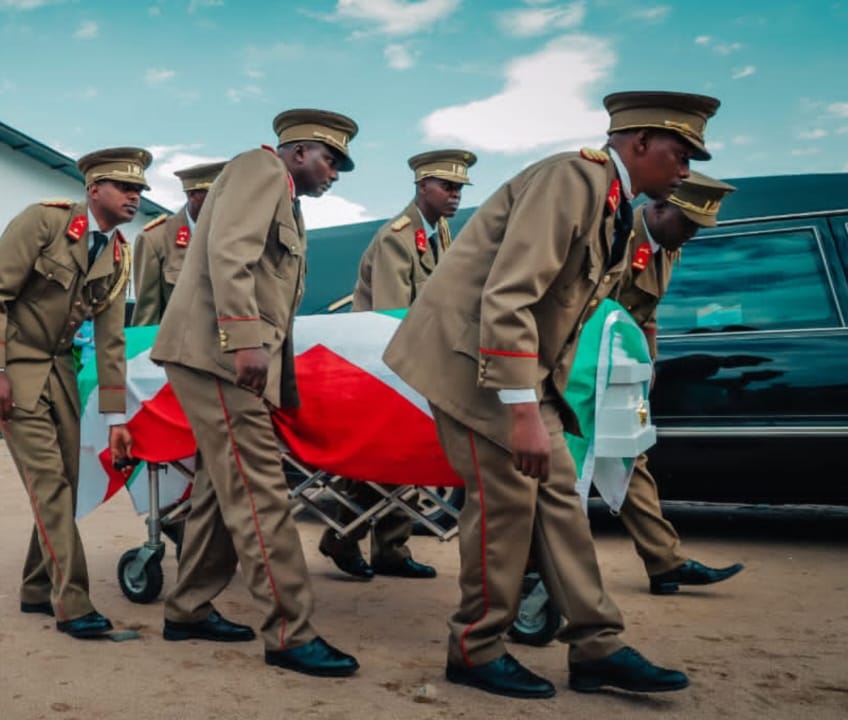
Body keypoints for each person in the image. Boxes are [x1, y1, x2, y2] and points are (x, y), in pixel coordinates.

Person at [382, 91, 720, 698]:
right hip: (473, 361)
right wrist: (522, 412)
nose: (686, 170)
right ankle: (475, 647)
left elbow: (564, 311)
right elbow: (509, 296)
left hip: (516, 369)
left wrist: (546, 401)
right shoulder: (574, 180)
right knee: (507, 500)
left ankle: (597, 645)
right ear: (639, 144)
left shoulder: (612, 202)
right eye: (681, 152)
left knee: (559, 494)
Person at [150, 110, 361, 678]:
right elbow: (230, 254)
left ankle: (188, 608)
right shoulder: (260, 170)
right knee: (260, 489)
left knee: (226, 491)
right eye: (330, 159)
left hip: (225, 358)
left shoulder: (283, 192)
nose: (336, 173)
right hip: (218, 357)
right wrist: (243, 341)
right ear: (298, 152)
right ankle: (290, 632)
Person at [0, 146, 140, 639]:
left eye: (139, 190)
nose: (134, 196)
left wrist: (116, 416)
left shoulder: (117, 252)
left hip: (58, 368)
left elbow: (111, 340)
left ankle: (35, 586)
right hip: (12, 362)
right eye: (124, 187)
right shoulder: (43, 223)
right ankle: (73, 601)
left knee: (64, 476)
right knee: (49, 481)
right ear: (93, 190)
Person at [319, 149, 477, 582]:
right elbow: (391, 319)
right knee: (377, 459)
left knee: (402, 460)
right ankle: (341, 536)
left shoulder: (440, 233)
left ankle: (390, 548)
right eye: (447, 186)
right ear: (422, 186)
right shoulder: (397, 236)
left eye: (460, 188)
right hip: (384, 365)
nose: (455, 195)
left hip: (418, 361)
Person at [611, 172, 744, 594]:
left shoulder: (668, 246)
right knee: (557, 477)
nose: (691, 235)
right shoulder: (614, 236)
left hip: (616, 367)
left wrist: (647, 364)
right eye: (687, 224)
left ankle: (665, 563)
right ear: (659, 206)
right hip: (578, 368)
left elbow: (645, 314)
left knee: (631, 460)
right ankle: (534, 578)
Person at [130, 160, 227, 326]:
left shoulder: (236, 235)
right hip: (178, 348)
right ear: (192, 195)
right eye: (214, 194)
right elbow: (147, 317)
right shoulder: (156, 240)